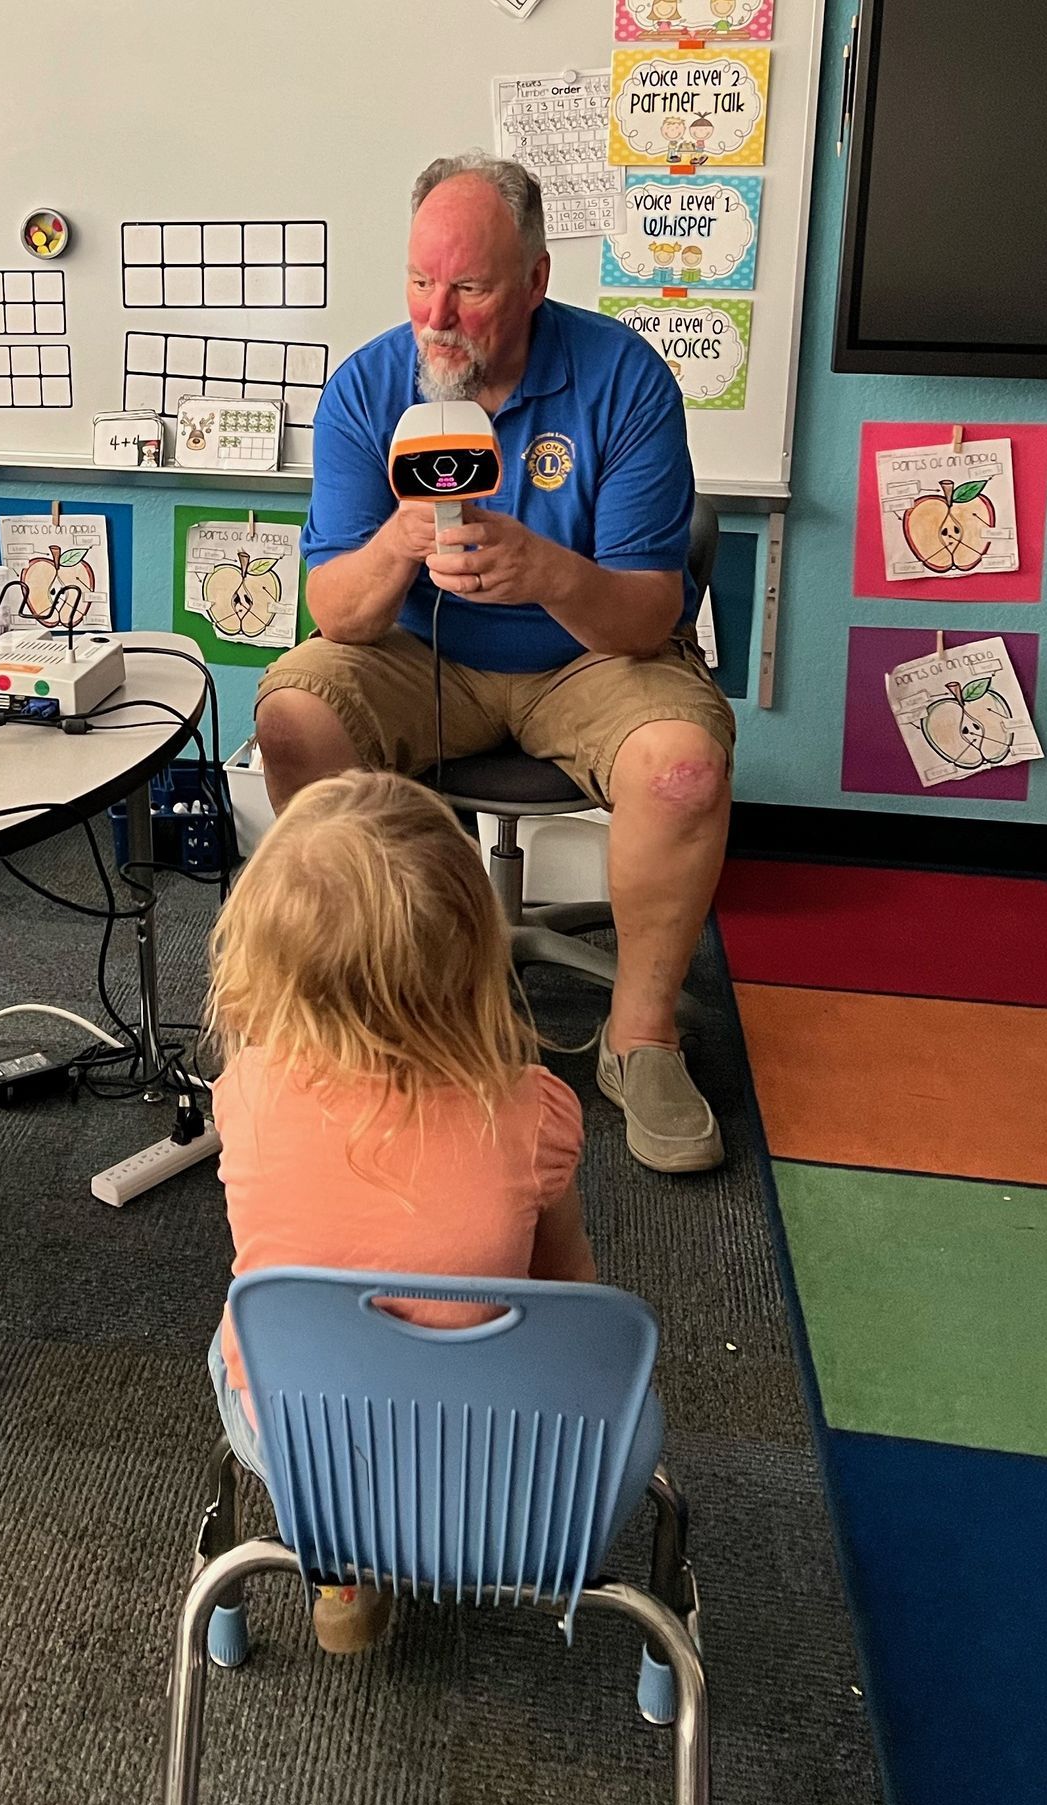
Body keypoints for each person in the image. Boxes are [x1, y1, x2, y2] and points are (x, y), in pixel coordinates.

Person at [254, 153, 734, 1175]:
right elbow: (333, 614)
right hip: (424, 653)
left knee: (684, 764)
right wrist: (400, 538)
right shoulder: (369, 386)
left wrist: (547, 570)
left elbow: (650, 612)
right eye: (422, 282)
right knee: (296, 713)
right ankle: (364, 1010)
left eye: (469, 289)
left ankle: (641, 1041)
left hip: (591, 655)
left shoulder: (626, 379)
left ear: (534, 281)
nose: (439, 315)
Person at [203, 772, 606, 1654]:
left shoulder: (246, 1095)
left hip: (298, 1439)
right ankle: (492, 1537)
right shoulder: (531, 1108)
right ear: (475, 950)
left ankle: (342, 1562)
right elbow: (570, 1297)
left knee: (255, 1323)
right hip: (492, 1449)